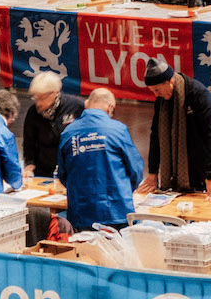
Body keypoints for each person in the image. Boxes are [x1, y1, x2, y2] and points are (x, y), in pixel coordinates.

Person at [136, 57, 211, 197]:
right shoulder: (162, 100)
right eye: (153, 91)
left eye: (157, 90)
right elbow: (156, 136)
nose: (156, 95)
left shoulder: (198, 94)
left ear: (170, 81)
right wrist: (153, 173)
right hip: (191, 161)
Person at [56, 88, 146, 232]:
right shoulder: (118, 129)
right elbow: (135, 169)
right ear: (110, 107)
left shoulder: (68, 132)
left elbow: (62, 173)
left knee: (84, 246)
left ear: (87, 104)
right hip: (116, 210)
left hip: (81, 211)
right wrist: (125, 190)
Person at [22, 72, 84, 178]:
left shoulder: (75, 106)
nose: (38, 103)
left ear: (55, 93)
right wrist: (29, 164)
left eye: (42, 98)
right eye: (36, 98)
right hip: (43, 170)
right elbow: (29, 143)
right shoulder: (33, 112)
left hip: (71, 167)